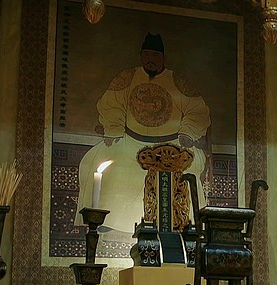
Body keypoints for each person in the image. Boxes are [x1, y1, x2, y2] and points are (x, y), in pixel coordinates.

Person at [75, 32, 211, 235]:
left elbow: (197, 111)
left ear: (163, 58)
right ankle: (106, 221)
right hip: (131, 141)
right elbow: (112, 105)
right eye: (146, 55)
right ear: (141, 56)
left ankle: (185, 226)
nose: (151, 60)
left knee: (189, 167)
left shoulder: (178, 81)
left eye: (155, 56)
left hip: (170, 147)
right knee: (94, 160)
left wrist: (187, 132)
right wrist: (114, 128)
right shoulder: (127, 77)